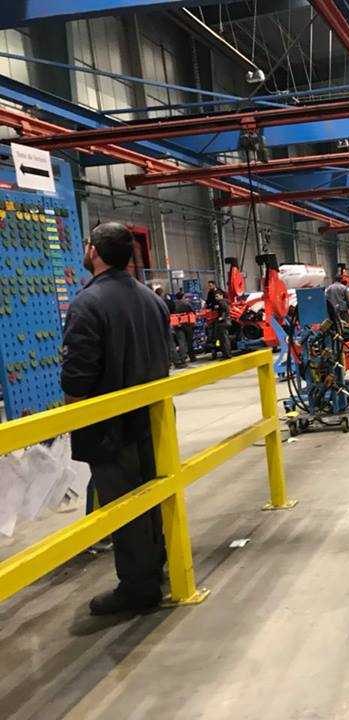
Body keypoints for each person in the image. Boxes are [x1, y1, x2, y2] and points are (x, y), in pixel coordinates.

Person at [60, 222, 169, 615]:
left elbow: (77, 378)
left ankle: (139, 588)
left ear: (94, 251)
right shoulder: (152, 300)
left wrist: (74, 418)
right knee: (154, 498)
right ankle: (157, 566)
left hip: (111, 428)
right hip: (155, 421)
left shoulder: (87, 304)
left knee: (125, 506)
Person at [209, 290, 232, 359]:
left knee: (223, 340)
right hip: (226, 322)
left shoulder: (221, 302)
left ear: (221, 295)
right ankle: (227, 354)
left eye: (217, 296)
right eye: (215, 296)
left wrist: (221, 317)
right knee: (224, 339)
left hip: (223, 323)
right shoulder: (224, 302)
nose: (216, 298)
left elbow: (225, 311)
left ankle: (226, 355)